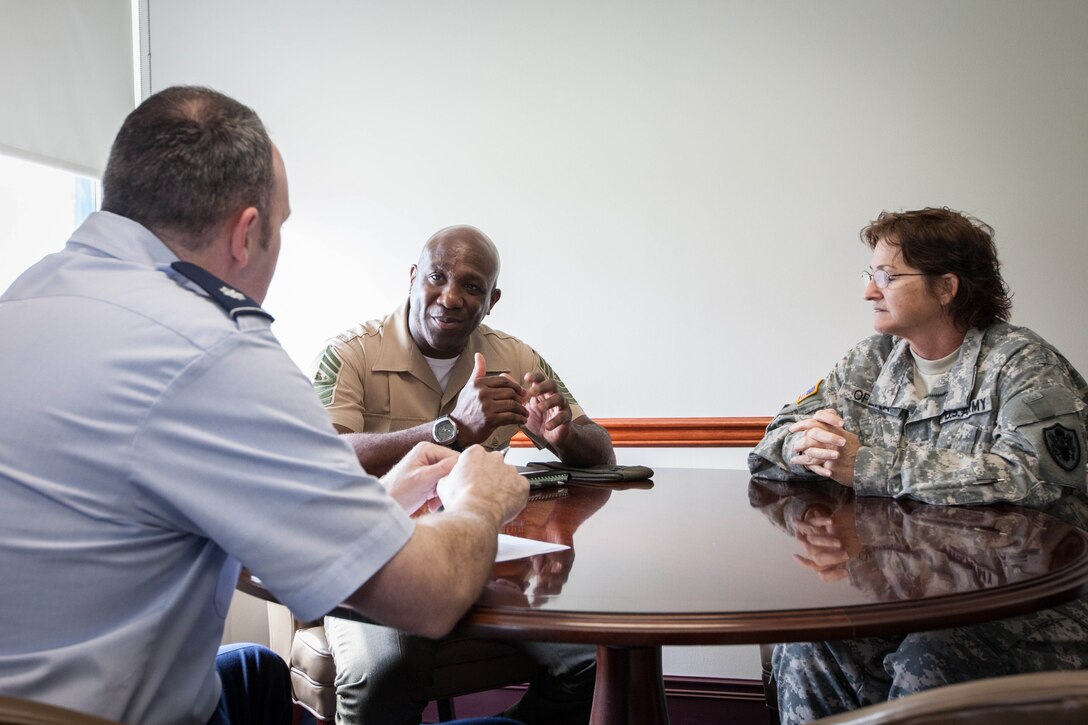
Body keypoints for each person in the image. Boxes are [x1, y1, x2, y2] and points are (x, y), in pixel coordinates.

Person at [0, 86, 527, 725]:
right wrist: (481, 499)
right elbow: (431, 599)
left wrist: (380, 501)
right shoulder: (214, 350)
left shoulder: (27, 297)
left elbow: (244, 537)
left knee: (253, 671)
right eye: (279, 228)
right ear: (248, 233)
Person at [748, 207, 1088, 724]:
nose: (869, 291)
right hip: (903, 594)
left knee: (929, 659)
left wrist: (868, 465)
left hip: (1027, 603)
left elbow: (1032, 478)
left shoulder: (1020, 363)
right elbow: (771, 443)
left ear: (946, 287)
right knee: (808, 647)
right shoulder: (870, 358)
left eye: (887, 276)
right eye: (870, 275)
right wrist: (807, 448)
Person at [311, 225, 615, 725]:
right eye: (437, 277)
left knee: (589, 664)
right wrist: (450, 429)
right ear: (412, 277)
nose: (450, 298)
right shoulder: (351, 353)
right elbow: (326, 460)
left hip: (481, 555)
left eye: (471, 287)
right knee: (387, 672)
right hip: (373, 556)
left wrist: (562, 435)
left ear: (491, 300)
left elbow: (600, 454)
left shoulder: (515, 357)